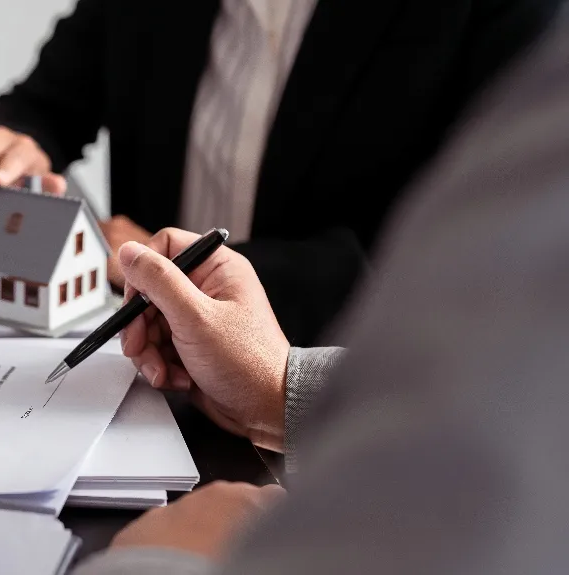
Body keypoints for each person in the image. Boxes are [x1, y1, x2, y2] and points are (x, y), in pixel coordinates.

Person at [68, 8, 569, 575]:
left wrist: (152, 563)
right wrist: (282, 385)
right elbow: (50, 97)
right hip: (212, 392)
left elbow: (485, 417)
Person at [0, 0, 562, 347]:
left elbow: (472, 260)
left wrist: (181, 273)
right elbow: (46, 103)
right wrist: (16, 145)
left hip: (340, 397)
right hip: (143, 372)